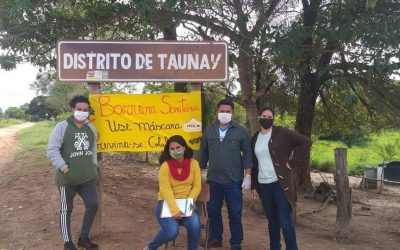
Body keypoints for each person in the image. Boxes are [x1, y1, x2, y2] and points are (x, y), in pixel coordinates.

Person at [250, 107, 312, 250]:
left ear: (273, 119)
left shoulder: (281, 132)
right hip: (263, 185)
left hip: (280, 184)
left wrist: (293, 162)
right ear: (259, 117)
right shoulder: (255, 137)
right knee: (272, 220)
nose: (266, 118)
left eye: (269, 116)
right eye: (264, 116)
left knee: (285, 221)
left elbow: (306, 142)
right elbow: (254, 163)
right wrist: (254, 185)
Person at [199, 99, 253, 250]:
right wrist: (198, 174)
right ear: (217, 112)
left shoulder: (241, 131)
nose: (225, 114)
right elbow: (203, 154)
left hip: (233, 180)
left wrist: (248, 176)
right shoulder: (209, 130)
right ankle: (216, 237)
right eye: (222, 111)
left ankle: (236, 242)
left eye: (228, 111)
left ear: (233, 113)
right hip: (213, 180)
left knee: (235, 212)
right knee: (213, 210)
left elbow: (247, 155)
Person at [47, 95, 99, 250]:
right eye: (79, 109)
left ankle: (83, 238)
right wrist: (64, 167)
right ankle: (67, 243)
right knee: (66, 210)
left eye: (85, 110)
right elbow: (52, 150)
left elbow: (93, 150)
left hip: (87, 177)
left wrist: (94, 167)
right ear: (73, 109)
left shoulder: (91, 128)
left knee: (93, 204)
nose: (82, 112)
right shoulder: (62, 127)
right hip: (67, 178)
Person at [145, 135, 202, 250]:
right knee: (171, 231)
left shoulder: (194, 164)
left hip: (187, 202)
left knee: (195, 225)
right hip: (166, 203)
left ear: (184, 148)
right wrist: (175, 209)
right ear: (168, 150)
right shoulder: (165, 167)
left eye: (178, 147)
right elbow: (166, 190)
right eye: (172, 149)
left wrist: (189, 205)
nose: (176, 151)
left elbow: (197, 186)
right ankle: (151, 246)